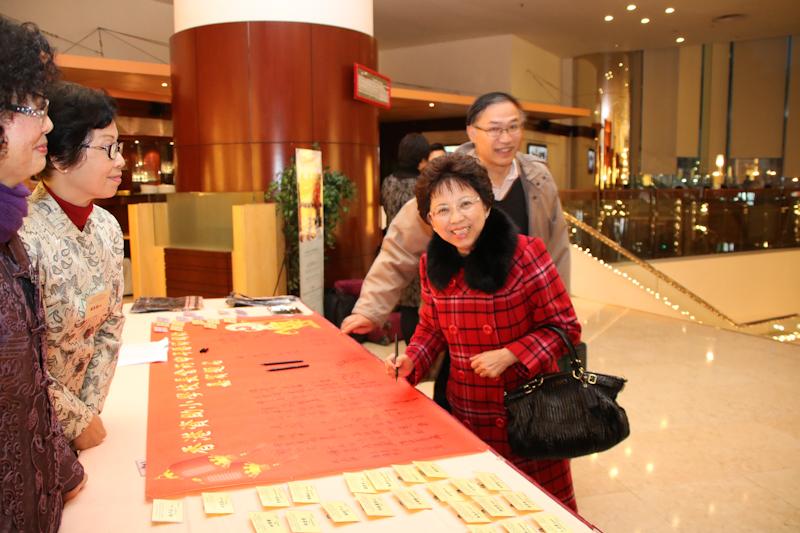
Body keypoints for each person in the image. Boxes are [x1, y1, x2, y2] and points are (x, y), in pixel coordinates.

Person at [342, 92, 571, 407]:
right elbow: (398, 251)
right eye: (495, 129)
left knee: (529, 418)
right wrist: (370, 310)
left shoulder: (538, 179)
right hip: (465, 333)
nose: (506, 138)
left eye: (513, 127)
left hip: (522, 335)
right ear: (472, 132)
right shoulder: (448, 180)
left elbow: (557, 249)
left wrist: (556, 318)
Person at [386, 153, 581, 510]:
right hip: (467, 415)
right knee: (481, 511)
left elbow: (565, 327)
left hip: (528, 416)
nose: (456, 219)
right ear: (429, 219)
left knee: (537, 514)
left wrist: (511, 354)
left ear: (487, 205)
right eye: (442, 210)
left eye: (466, 204)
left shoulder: (526, 254)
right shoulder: (432, 265)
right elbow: (431, 328)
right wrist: (411, 360)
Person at [0, 17, 86, 531]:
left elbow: (28, 387)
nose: (48, 127)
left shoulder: (10, 234)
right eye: (34, 108)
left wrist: (63, 471)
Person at [19, 81, 125, 451]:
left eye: (119, 147)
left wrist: (89, 413)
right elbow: (18, 358)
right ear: (61, 157)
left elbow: (109, 326)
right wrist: (74, 420)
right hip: (30, 428)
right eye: (108, 148)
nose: (120, 161)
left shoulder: (107, 227)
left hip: (88, 425)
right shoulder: (20, 237)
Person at [380, 132, 430, 344]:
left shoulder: (388, 182)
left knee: (407, 305)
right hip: (420, 249)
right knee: (422, 306)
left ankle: (411, 347)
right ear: (421, 160)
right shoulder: (423, 186)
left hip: (395, 246)